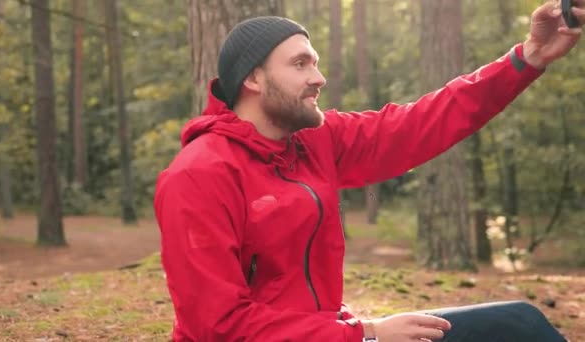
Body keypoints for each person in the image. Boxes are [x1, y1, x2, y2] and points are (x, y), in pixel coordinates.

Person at [154, 1, 582, 341]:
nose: (319, 77)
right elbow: (219, 327)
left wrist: (528, 57)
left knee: (518, 325)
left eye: (316, 62)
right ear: (253, 78)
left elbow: (421, 123)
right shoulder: (199, 176)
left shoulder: (313, 142)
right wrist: (368, 335)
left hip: (335, 335)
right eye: (300, 64)